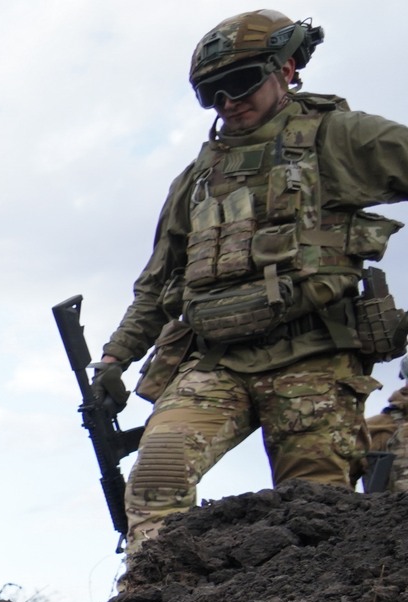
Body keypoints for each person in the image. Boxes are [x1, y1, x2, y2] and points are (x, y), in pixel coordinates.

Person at [97, 11, 408, 559]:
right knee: (154, 478)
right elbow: (155, 285)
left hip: (314, 356)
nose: (227, 102)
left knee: (318, 515)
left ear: (286, 70)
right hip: (216, 359)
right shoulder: (197, 178)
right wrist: (114, 360)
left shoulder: (338, 138)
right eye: (209, 93)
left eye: (240, 83)